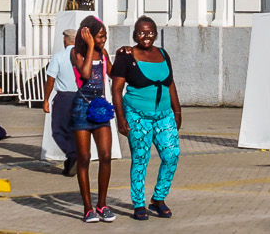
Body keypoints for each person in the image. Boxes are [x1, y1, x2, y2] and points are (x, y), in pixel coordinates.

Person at [111, 16, 182, 221]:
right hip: (136, 115)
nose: (146, 36)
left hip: (164, 115)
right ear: (135, 34)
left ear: (155, 33)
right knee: (140, 158)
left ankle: (158, 199)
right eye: (141, 32)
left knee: (172, 155)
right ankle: (139, 203)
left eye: (150, 32)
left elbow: (170, 83)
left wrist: (177, 111)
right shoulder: (126, 56)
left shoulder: (163, 54)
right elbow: (116, 89)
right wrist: (120, 118)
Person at [71, 16, 116, 222]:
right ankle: (88, 208)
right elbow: (86, 74)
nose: (103, 40)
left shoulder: (104, 53)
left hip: (100, 109)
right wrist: (90, 47)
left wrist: (126, 54)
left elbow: (115, 73)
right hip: (81, 108)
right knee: (85, 158)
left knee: (106, 155)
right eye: (99, 36)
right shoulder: (76, 53)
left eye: (104, 36)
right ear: (87, 35)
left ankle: (102, 204)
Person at [46, 30, 80, 176]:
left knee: (58, 130)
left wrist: (46, 99)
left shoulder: (59, 56)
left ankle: (73, 154)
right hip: (81, 96)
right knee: (75, 130)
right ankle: (72, 160)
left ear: (65, 40)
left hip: (64, 97)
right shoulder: (82, 56)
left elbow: (51, 79)